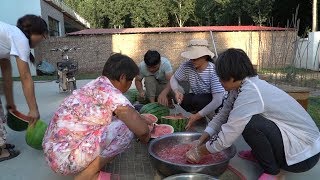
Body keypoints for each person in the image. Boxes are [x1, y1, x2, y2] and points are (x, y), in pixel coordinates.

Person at [186, 48, 320, 180]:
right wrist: (201, 139)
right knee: (244, 119)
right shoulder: (240, 86)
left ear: (232, 77)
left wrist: (200, 152)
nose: (219, 82)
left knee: (250, 123)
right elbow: (222, 115)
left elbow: (227, 136)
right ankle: (260, 154)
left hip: (304, 157)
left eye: (221, 78)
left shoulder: (251, 92)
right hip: (298, 145)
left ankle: (273, 172)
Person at [43, 53, 151, 180]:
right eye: (130, 80)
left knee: (123, 121)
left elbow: (117, 112)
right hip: (66, 160)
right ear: (122, 77)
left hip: (52, 152)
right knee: (126, 129)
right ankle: (86, 175)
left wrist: (139, 117)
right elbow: (142, 130)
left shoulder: (96, 84)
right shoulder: (113, 95)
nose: (130, 84)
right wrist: (146, 137)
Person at [0, 14, 47, 161]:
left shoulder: (9, 36)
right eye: (43, 35)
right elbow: (25, 77)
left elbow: (6, 71)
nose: (43, 39)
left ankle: (0, 142)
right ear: (34, 33)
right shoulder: (20, 38)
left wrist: (10, 103)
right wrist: (33, 109)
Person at [170, 39, 225, 129]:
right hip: (199, 97)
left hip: (218, 103)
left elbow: (218, 100)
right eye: (192, 57)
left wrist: (197, 115)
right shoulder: (187, 65)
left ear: (205, 56)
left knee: (198, 100)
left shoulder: (213, 71)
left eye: (196, 57)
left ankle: (213, 121)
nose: (192, 60)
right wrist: (176, 91)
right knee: (185, 99)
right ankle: (200, 118)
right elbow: (173, 78)